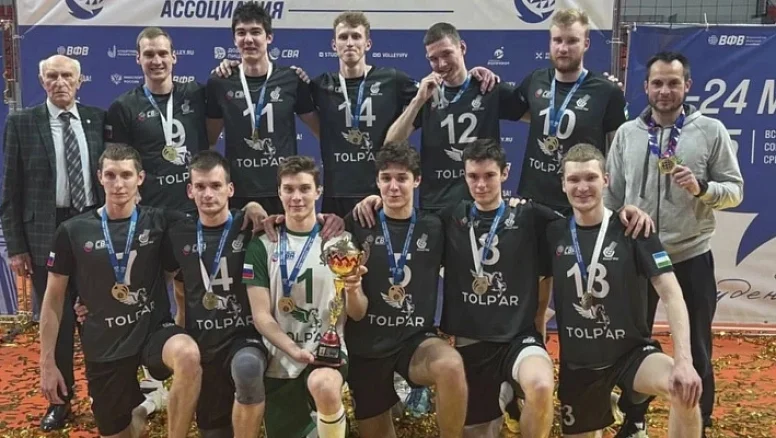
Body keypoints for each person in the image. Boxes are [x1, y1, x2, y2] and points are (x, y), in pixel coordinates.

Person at [605, 51, 744, 438]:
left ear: (687, 86)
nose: (664, 90)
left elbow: (735, 191)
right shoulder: (627, 134)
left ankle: (700, 420)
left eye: (673, 83)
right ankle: (634, 419)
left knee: (697, 343)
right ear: (646, 87)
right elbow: (611, 198)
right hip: (638, 257)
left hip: (690, 255)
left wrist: (702, 188)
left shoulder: (710, 131)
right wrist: (620, 215)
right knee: (634, 343)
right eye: (657, 83)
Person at [39, 144, 202, 438]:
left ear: (140, 178)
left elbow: (213, 217)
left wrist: (252, 211)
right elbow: (53, 298)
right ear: (99, 177)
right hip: (105, 344)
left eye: (126, 175)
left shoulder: (161, 221)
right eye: (111, 175)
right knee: (121, 432)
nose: (118, 184)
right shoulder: (73, 230)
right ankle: (140, 410)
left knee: (188, 355)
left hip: (152, 331)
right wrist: (47, 363)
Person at [547, 143, 704, 438]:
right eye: (574, 179)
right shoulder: (553, 231)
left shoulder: (634, 228)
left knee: (682, 389)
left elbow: (672, 294)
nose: (583, 187)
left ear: (606, 180)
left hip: (631, 355)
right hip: (579, 365)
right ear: (563, 184)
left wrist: (684, 361)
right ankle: (608, 405)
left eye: (591, 178)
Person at [0, 54, 105, 431]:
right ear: (42, 81)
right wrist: (16, 247)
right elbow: (10, 190)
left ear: (79, 81)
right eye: (52, 76)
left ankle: (105, 396)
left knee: (97, 318)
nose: (60, 82)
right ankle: (60, 401)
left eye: (67, 76)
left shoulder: (97, 120)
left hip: (91, 227)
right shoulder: (22, 123)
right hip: (45, 233)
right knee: (56, 322)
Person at [310, 11, 498, 218]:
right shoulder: (319, 85)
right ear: (333, 45)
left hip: (380, 192)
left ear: (368, 44)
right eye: (343, 37)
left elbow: (446, 86)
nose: (349, 43)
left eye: (356, 36)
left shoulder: (393, 79)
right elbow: (298, 102)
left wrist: (473, 76)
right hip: (336, 193)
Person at [434, 139, 560, 438]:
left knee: (541, 385)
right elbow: (405, 222)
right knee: (477, 432)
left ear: (505, 173)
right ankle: (506, 398)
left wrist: (626, 214)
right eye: (473, 176)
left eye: (489, 175)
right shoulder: (450, 217)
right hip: (471, 342)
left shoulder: (529, 215)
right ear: (464, 176)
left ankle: (513, 394)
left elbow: (584, 222)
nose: (481, 185)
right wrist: (373, 202)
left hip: (518, 338)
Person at [342, 141, 467, 437]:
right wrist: (352, 288)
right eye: (386, 178)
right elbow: (354, 310)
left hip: (415, 341)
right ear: (377, 182)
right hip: (367, 347)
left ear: (417, 180)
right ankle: (395, 401)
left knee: (450, 365)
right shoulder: (358, 223)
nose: (394, 187)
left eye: (402, 178)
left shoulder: (434, 226)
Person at [243, 156, 364, 438]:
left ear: (318, 192)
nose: (296, 197)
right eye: (289, 189)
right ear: (279, 192)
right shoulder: (262, 245)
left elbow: (358, 312)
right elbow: (261, 316)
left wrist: (354, 289)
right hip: (280, 360)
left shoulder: (341, 243)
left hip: (328, 354)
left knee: (324, 384)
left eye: (305, 189)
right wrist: (292, 350)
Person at [161, 150, 269, 437]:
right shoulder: (179, 232)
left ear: (230, 189)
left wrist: (255, 205)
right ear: (190, 191)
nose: (208, 194)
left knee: (247, 369)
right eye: (200, 186)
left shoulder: (250, 226)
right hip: (203, 345)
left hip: (243, 337)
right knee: (213, 431)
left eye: (216, 185)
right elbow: (170, 280)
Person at [384, 22, 527, 211]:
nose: (442, 64)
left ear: (462, 48)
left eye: (447, 54)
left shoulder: (489, 87)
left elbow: (537, 117)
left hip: (481, 203)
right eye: (433, 59)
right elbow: (391, 144)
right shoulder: (426, 94)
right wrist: (418, 101)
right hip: (435, 205)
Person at [206, 2, 319, 214]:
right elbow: (210, 139)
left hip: (284, 191)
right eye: (241, 33)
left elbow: (320, 130)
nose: (248, 39)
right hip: (238, 192)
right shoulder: (220, 82)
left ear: (269, 37)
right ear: (234, 39)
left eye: (256, 32)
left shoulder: (292, 79)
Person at [515, 8, 628, 216]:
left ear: (586, 44)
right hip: (534, 199)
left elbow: (618, 152)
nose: (563, 48)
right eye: (557, 40)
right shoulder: (535, 80)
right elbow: (523, 113)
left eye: (572, 41)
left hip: (579, 202)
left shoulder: (606, 91)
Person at [106, 26, 209, 215]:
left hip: (196, 206)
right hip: (150, 210)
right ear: (138, 58)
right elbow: (118, 161)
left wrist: (228, 66)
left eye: (163, 53)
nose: (157, 61)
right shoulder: (124, 106)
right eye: (149, 54)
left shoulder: (196, 94)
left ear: (174, 57)